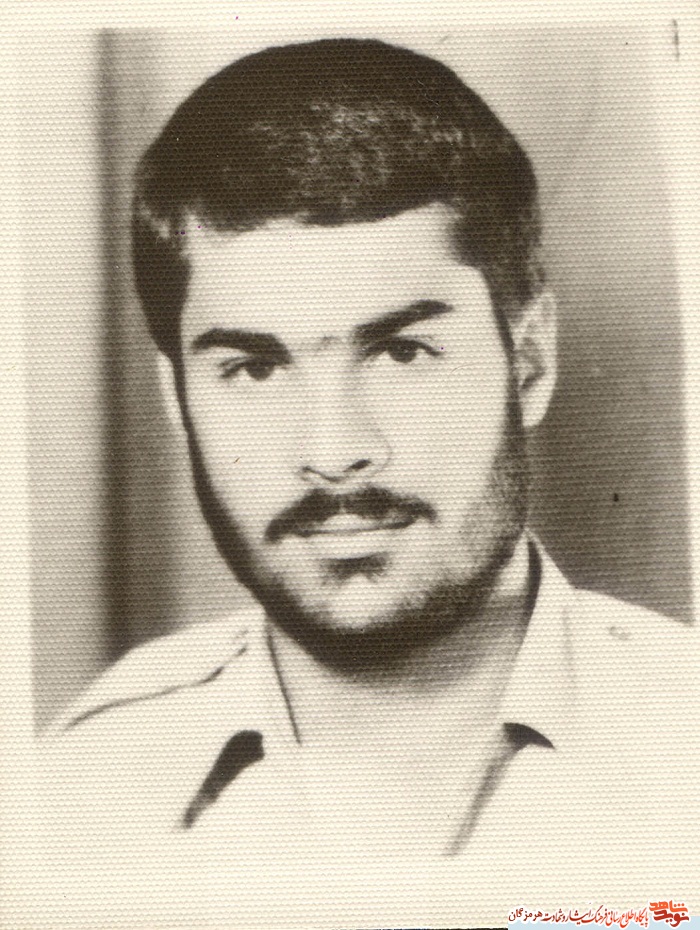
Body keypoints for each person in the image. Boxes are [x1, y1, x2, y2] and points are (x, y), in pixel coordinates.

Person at [39, 37, 697, 911]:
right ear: (178, 398)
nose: (335, 448)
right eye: (254, 369)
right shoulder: (82, 789)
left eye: (402, 352)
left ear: (529, 362)